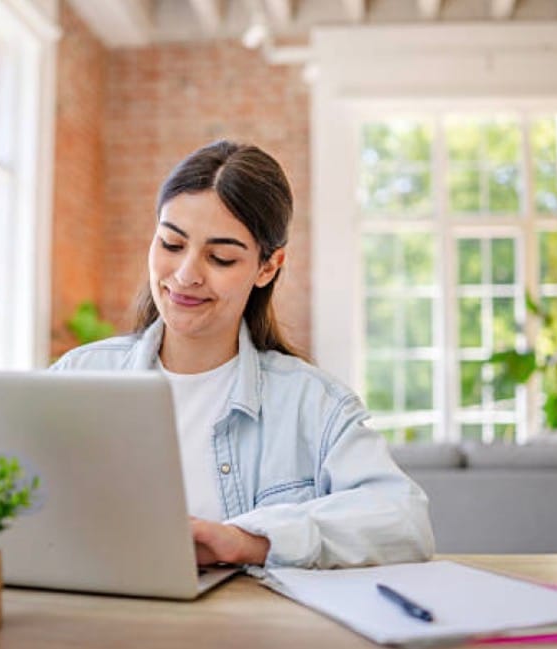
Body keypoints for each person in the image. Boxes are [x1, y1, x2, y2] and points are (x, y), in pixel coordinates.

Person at [51, 140, 434, 569]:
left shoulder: (314, 403)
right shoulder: (78, 376)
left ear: (267, 268)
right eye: (171, 245)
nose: (185, 275)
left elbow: (404, 519)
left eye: (220, 257)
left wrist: (249, 541)